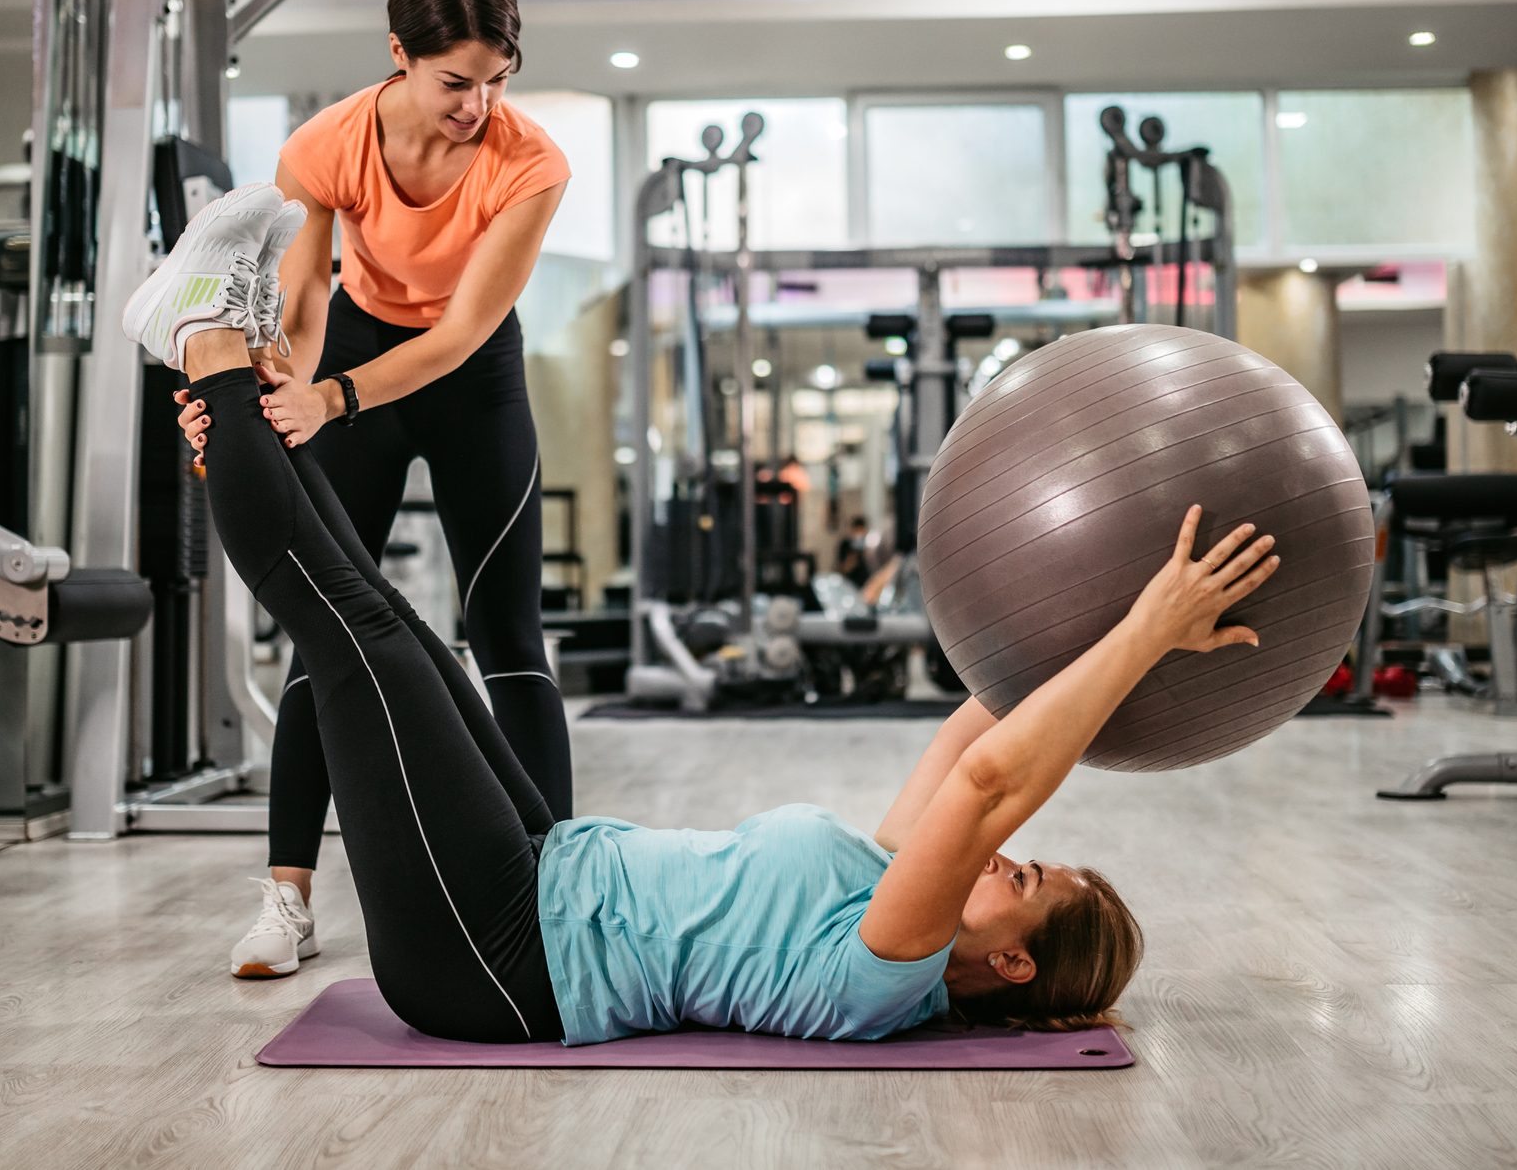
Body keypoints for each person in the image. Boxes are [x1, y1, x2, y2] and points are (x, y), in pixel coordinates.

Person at [127, 201, 1280, 1045]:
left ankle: (207, 342)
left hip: (497, 960)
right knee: (401, 628)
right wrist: (1117, 610)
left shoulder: (892, 971)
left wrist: (1140, 637)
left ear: (1009, 958)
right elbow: (968, 737)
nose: (1006, 857)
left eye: (1024, 879)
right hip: (540, 874)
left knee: (359, 642)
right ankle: (239, 388)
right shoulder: (884, 886)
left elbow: (988, 787)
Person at [170, 0, 574, 980]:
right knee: (327, 622)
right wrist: (279, 400)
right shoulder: (327, 144)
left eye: (495, 81)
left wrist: (332, 398)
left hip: (472, 375)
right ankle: (288, 901)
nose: (477, 104)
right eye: (454, 82)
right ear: (399, 55)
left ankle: (564, 886)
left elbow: (460, 334)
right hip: (351, 348)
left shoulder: (531, 163)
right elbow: (303, 302)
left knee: (507, 628)